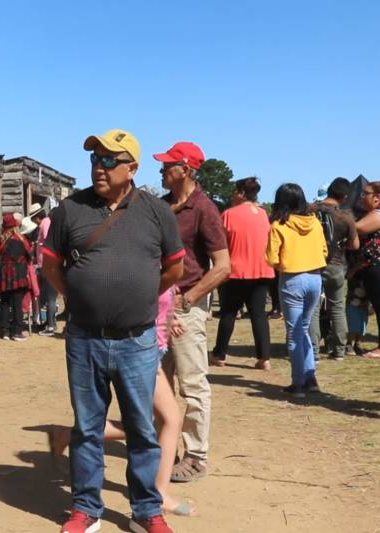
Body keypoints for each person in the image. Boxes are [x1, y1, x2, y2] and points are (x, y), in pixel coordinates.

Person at [42, 129, 184, 533]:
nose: (98, 168)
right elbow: (51, 265)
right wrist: (79, 295)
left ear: (133, 168)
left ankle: (145, 511)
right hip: (84, 338)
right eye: (94, 159)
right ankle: (85, 510)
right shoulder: (71, 209)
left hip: (137, 342)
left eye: (109, 161)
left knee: (141, 428)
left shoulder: (157, 211)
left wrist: (139, 298)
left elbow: (174, 268)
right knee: (87, 427)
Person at [158, 141, 230, 484]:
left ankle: (196, 455)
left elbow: (223, 265)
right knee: (158, 382)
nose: (162, 170)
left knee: (192, 383)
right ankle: (165, 448)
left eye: (168, 165)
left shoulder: (204, 209)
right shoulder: (162, 206)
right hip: (159, 309)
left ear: (186, 170)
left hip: (186, 309)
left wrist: (188, 300)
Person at [266, 183, 327, 397]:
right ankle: (310, 379)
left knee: (294, 333)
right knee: (305, 329)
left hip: (292, 278)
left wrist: (283, 263)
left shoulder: (278, 226)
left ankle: (298, 383)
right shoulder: (315, 223)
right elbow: (324, 249)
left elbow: (272, 258)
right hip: (315, 277)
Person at [212, 178, 275, 369]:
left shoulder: (229, 214)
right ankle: (264, 358)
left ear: (241, 193)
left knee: (229, 313)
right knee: (259, 315)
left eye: (234, 192)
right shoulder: (264, 214)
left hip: (236, 270)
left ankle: (220, 354)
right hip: (262, 269)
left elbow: (221, 242)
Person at [309, 178, 359, 360]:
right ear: (344, 197)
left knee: (313, 308)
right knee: (337, 308)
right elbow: (355, 245)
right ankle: (339, 350)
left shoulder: (311, 210)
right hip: (337, 265)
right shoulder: (346, 216)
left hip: (314, 264)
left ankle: (313, 350)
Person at [350, 182, 380, 358]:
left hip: (378, 265)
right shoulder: (378, 213)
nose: (362, 197)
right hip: (371, 265)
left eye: (365, 193)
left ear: (377, 197)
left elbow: (358, 228)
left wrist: (344, 220)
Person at [0, 213, 32, 341]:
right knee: (17, 304)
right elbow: (30, 256)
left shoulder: (2, 240)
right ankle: (17, 332)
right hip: (19, 274)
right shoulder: (21, 240)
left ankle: (4, 331)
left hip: (5, 274)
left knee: (4, 303)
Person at [29, 203, 58, 336]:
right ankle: (50, 323)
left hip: (47, 265)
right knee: (49, 297)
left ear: (36, 217)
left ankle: (51, 325)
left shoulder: (45, 224)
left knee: (50, 297)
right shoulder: (46, 223)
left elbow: (47, 242)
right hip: (47, 264)